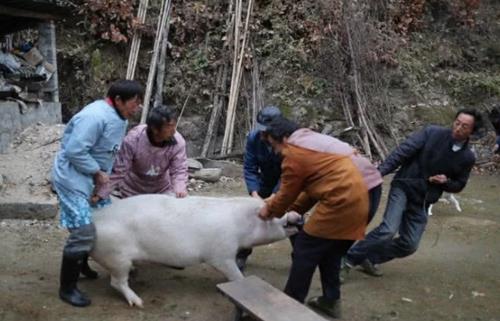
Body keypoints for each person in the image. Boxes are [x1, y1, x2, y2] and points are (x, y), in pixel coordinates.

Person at [343, 109, 481, 277]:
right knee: (388, 230)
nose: (458, 128)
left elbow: (459, 185)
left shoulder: (467, 157)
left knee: (409, 244)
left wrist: (445, 182)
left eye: (464, 126)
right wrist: (379, 173)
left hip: (424, 199)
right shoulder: (432, 133)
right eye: (457, 122)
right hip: (404, 186)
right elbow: (403, 152)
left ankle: (371, 258)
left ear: (472, 131)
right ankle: (348, 260)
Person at [258, 117, 369, 319]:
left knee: (303, 251)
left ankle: (289, 307)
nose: (275, 152)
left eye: (274, 146)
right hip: (359, 200)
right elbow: (312, 189)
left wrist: (269, 210)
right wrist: (295, 209)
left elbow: (286, 194)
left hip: (340, 203)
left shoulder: (294, 153)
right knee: (330, 255)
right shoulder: (310, 142)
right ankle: (331, 301)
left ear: (284, 138)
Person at [52, 79, 143, 307]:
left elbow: (108, 154)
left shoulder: (119, 118)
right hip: (71, 179)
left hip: (92, 179)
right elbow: (74, 150)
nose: (138, 107)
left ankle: (83, 264)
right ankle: (67, 288)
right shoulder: (94, 117)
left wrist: (102, 185)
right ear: (118, 100)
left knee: (104, 223)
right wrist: (96, 172)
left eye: (140, 102)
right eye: (135, 102)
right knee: (83, 231)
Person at [94, 105, 188, 200]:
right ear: (155, 129)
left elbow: (179, 170)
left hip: (161, 190)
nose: (173, 131)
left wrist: (180, 189)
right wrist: (100, 194)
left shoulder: (178, 142)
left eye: (174, 126)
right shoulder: (133, 139)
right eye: (169, 127)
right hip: (131, 190)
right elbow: (119, 169)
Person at [237, 106, 283, 269]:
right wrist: (255, 193)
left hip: (286, 182)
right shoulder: (254, 138)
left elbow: (290, 173)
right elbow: (249, 168)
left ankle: (300, 256)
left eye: (267, 131)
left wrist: (276, 195)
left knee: (293, 217)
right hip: (265, 180)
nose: (263, 134)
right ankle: (242, 254)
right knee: (251, 215)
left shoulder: (290, 140)